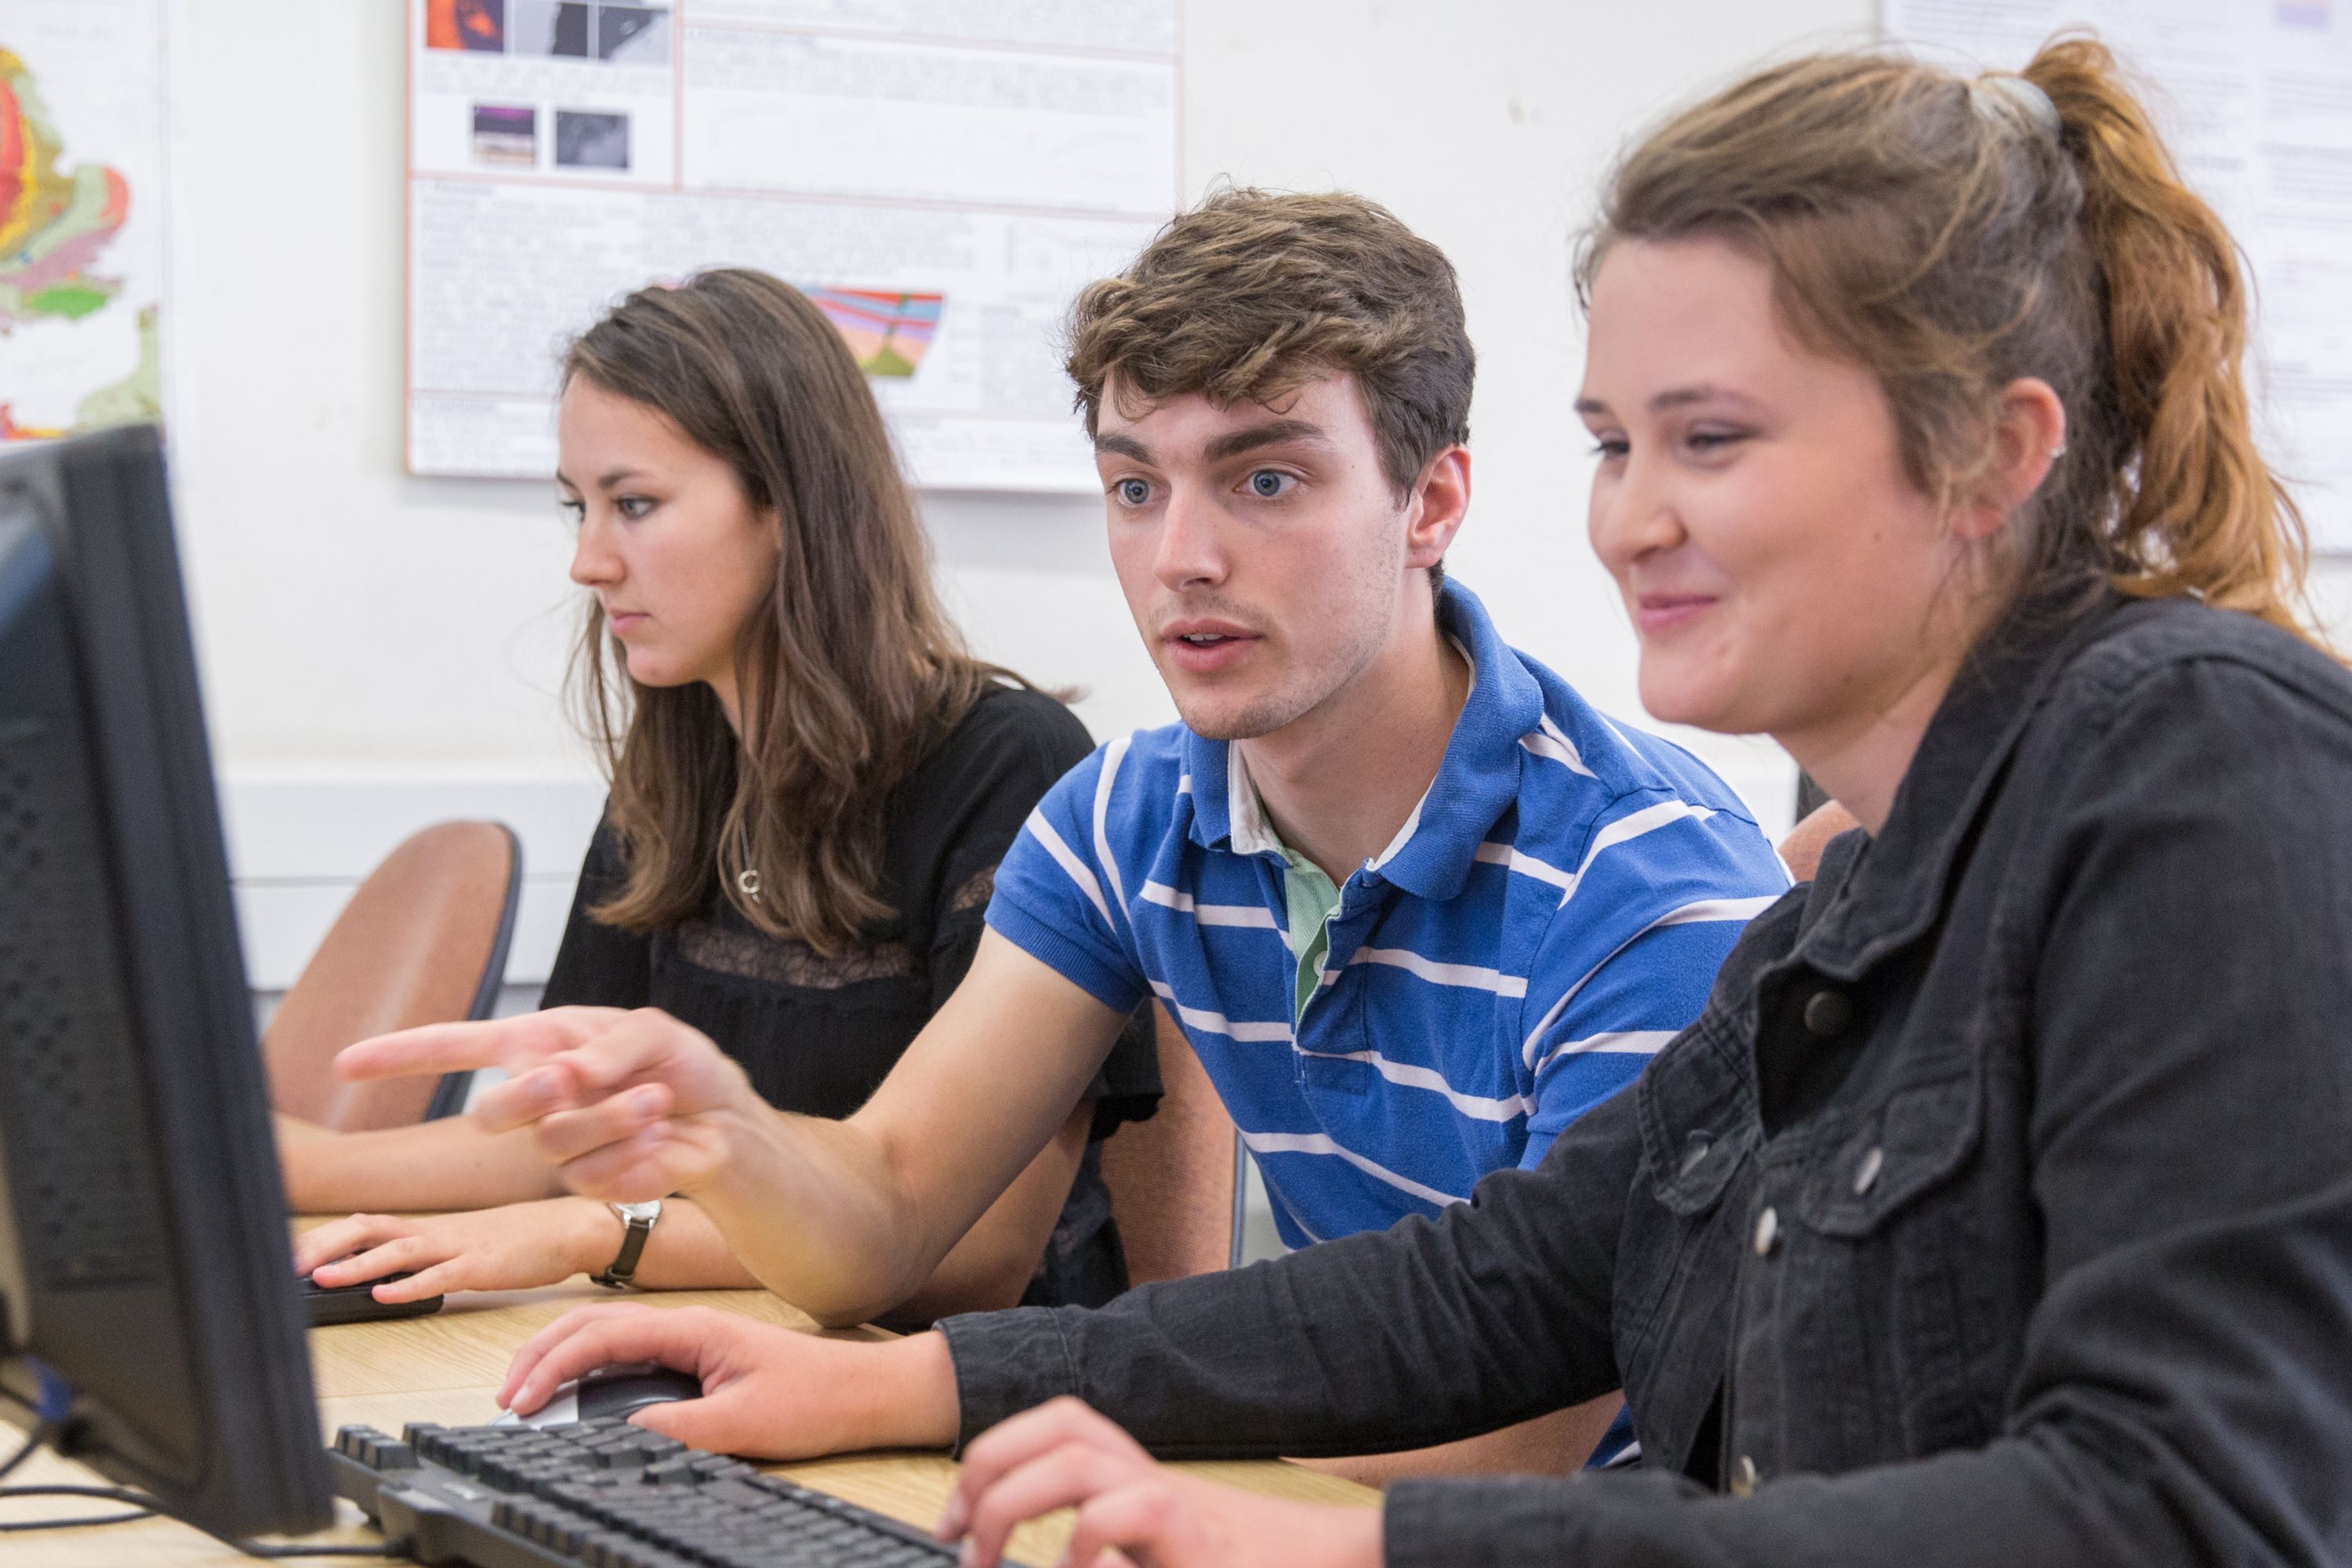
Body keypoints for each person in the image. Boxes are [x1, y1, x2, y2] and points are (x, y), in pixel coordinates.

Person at [489, 36, 2352, 1566]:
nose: (1631, 518)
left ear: (1992, 455)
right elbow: (1495, 1288)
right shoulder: (1856, 892)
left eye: (1711, 439)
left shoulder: (2201, 766)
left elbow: (2174, 1507)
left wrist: (1347, 1552)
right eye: (1615, 446)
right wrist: (912, 1386)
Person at [337, 190, 1793, 1476]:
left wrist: (1102, 1462)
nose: (1182, 558)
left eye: (1265, 478)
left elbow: (1511, 1430)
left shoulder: (1643, 883)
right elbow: (891, 1214)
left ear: (1433, 500)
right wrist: (723, 1136)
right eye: (1134, 485)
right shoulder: (1125, 820)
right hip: (1287, 1486)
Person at [279, 269, 1160, 1323]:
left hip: (946, 1385)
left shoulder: (1006, 766)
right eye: (580, 507)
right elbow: (550, 1147)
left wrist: (592, 1237)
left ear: (788, 505)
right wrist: (297, 1166)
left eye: (635, 505)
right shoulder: (679, 774)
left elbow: (972, 1254)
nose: (587, 561)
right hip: (724, 1336)